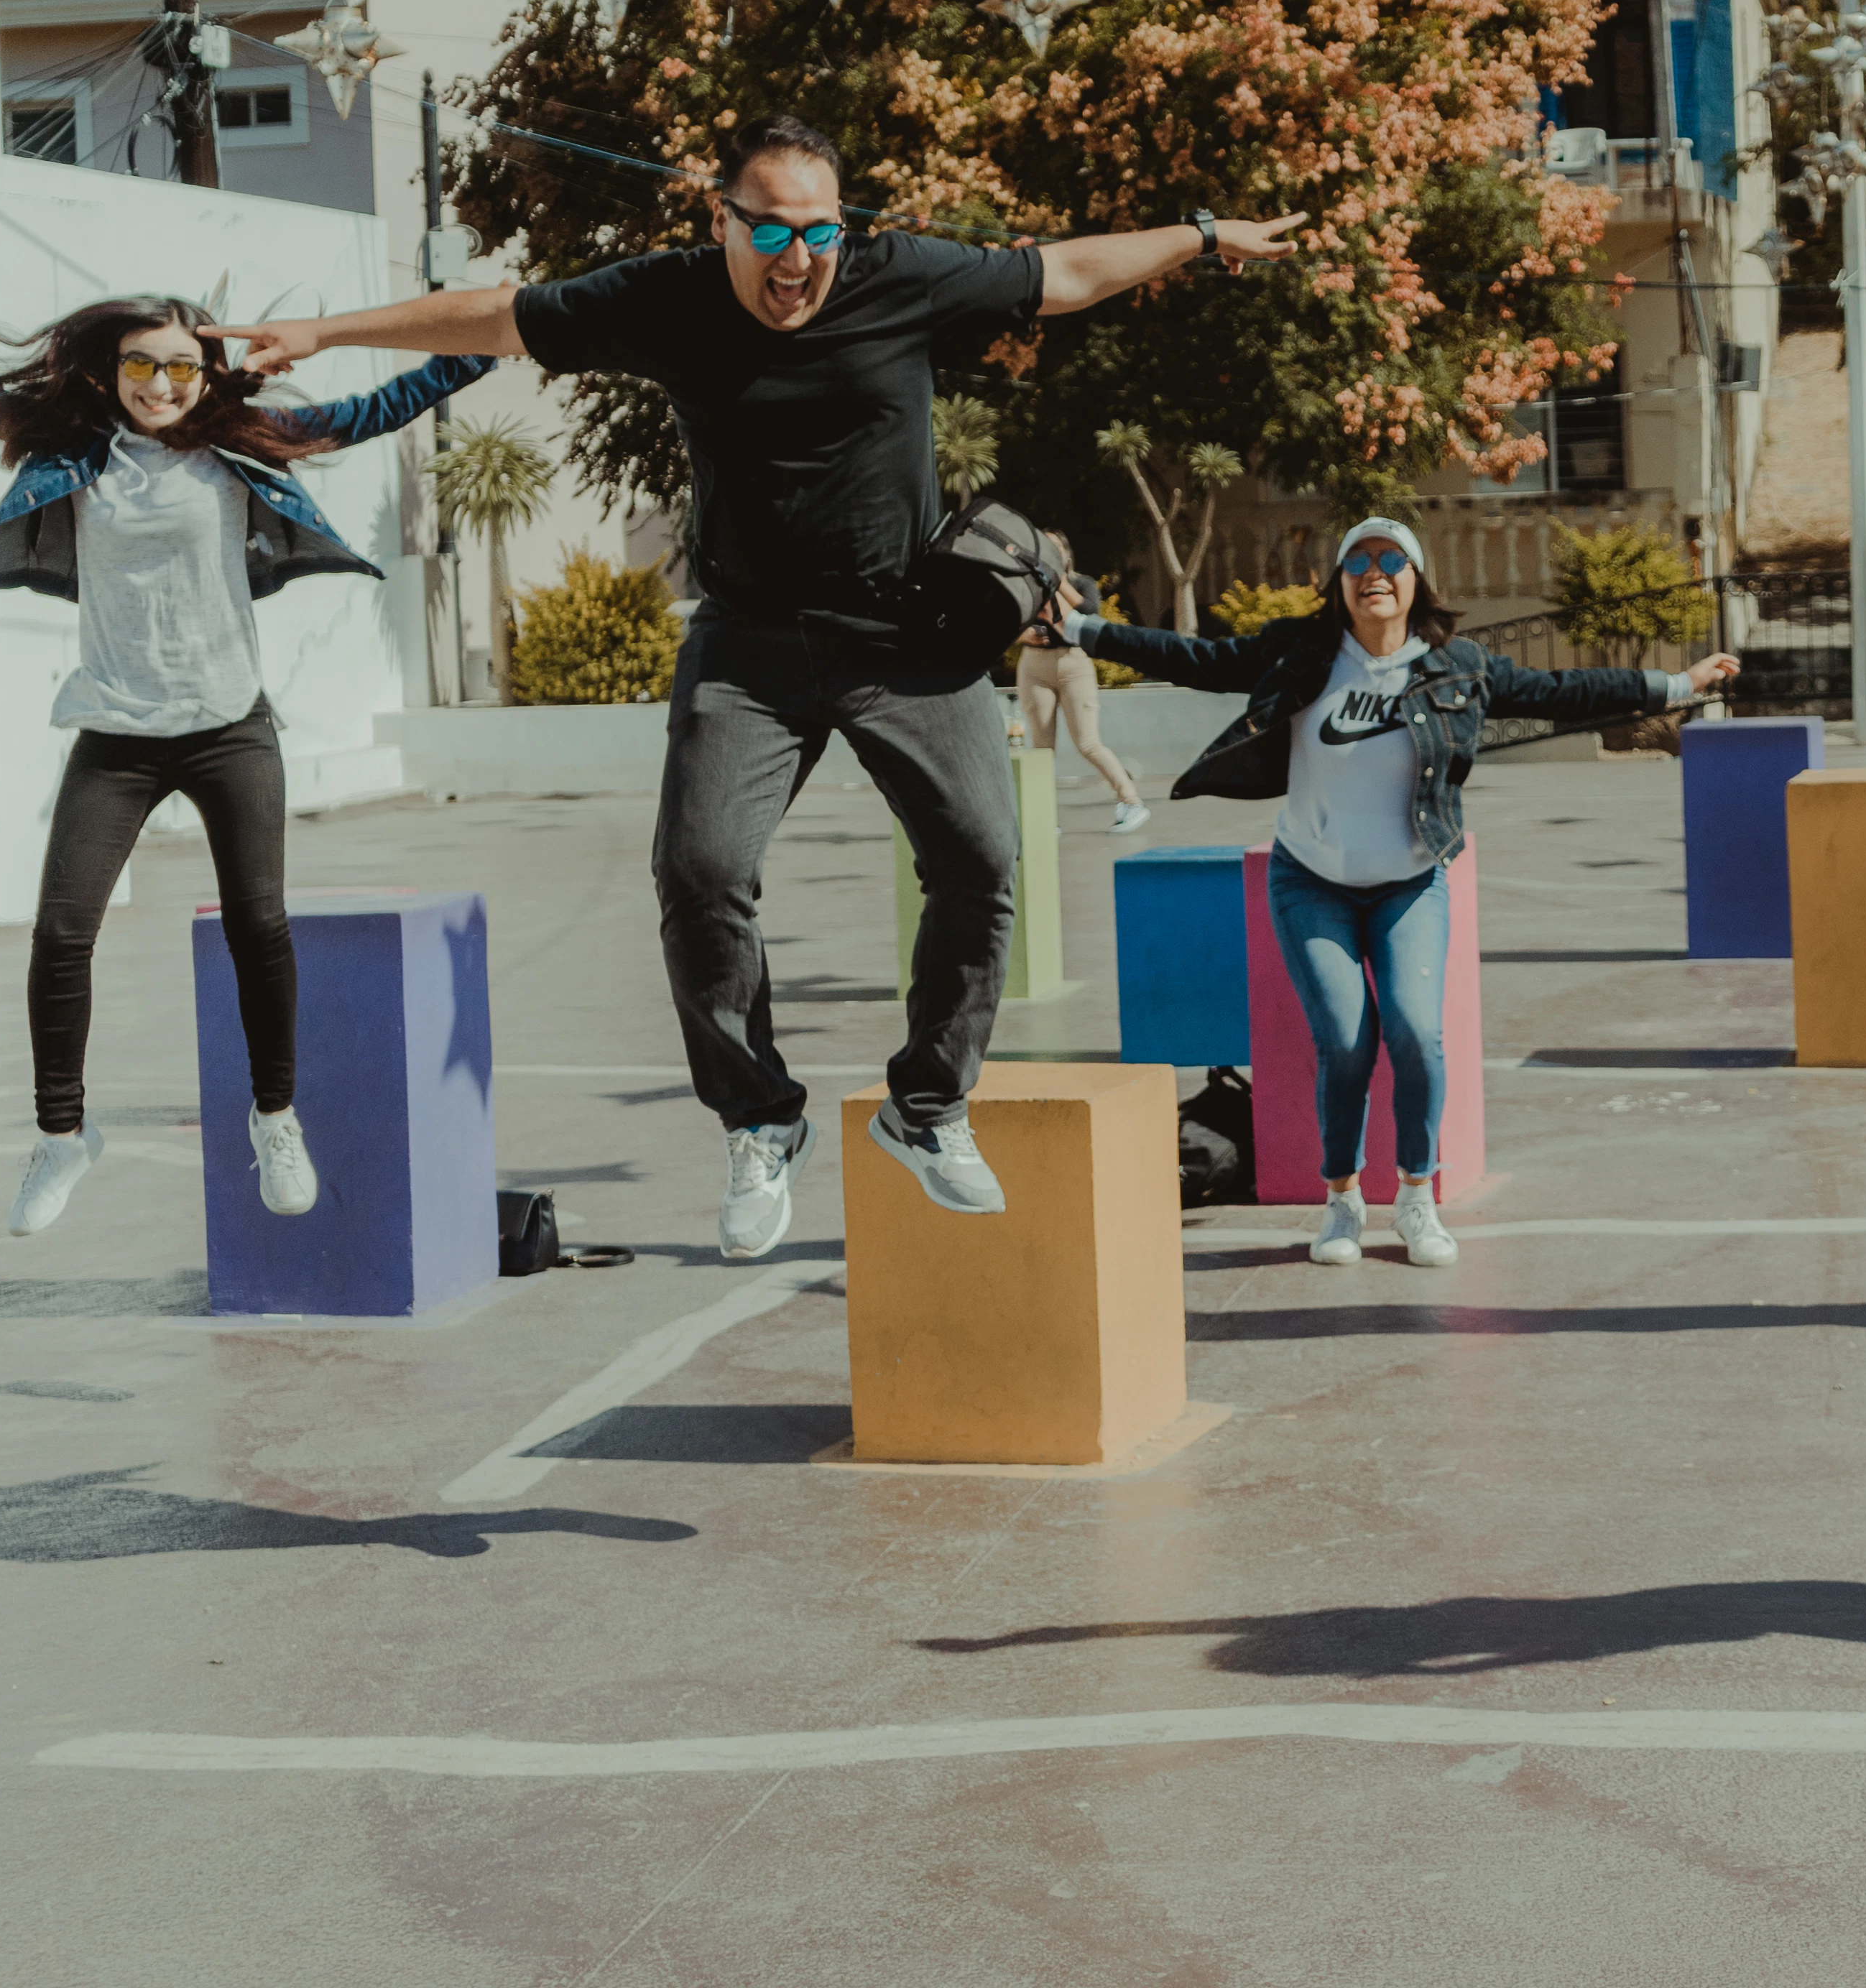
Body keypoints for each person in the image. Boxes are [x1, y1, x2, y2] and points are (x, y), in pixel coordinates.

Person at [210, 116, 1303, 1259]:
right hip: (749, 650)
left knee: (983, 856)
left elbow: (1067, 271)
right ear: (719, 218)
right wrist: (324, 330)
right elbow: (496, 315)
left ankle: (926, 1108)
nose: (799, 260)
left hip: (905, 637)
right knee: (701, 871)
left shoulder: (902, 278)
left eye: (820, 231)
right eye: (771, 230)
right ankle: (757, 1119)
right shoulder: (668, 298)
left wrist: (1204, 233)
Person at [0, 252, 487, 1236]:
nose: (162, 386)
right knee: (61, 935)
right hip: (117, 734)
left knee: (262, 928)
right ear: (107, 373)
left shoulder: (248, 443)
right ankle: (61, 1136)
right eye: (142, 367)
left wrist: (495, 344)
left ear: (209, 375)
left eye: (181, 369)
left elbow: (383, 405)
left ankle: (275, 1119)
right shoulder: (69, 447)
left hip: (229, 729)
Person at [1048, 518, 1733, 1267]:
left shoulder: (1456, 666)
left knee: (1415, 1031)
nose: (1375, 571)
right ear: (1341, 583)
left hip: (1410, 881)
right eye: (1358, 561)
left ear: (1416, 579)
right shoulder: (1304, 651)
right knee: (1344, 1042)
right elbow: (1198, 659)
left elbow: (1561, 689)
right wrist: (1083, 627)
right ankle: (1343, 1201)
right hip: (1310, 881)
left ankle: (1416, 1195)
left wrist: (1677, 684)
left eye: (1391, 559)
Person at [1015, 619, 1148, 833]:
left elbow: (1089, 611)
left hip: (1074, 663)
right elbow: (1004, 621)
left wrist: (1061, 594)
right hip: (1033, 665)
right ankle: (1044, 817)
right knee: (1042, 750)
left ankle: (1132, 802)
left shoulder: (1079, 586)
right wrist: (1021, 635)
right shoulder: (1029, 588)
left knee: (1088, 743)